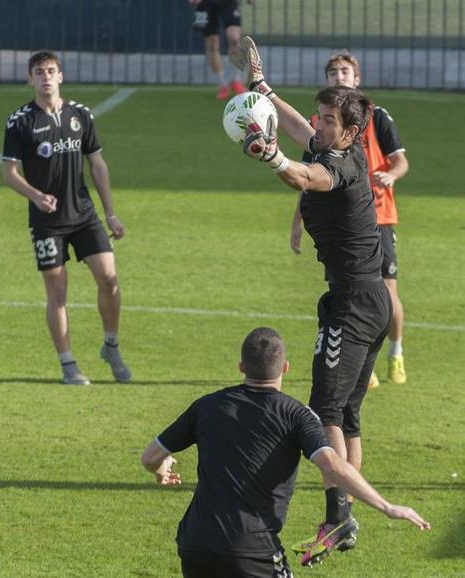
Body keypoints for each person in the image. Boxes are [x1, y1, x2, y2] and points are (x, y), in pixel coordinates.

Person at [235, 36, 399, 564]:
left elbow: (305, 175)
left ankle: (338, 517)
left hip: (353, 302)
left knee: (323, 408)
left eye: (328, 120)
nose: (318, 124)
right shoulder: (332, 142)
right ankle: (342, 514)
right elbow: (299, 131)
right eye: (320, 116)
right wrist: (263, 91)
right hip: (368, 299)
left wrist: (270, 154)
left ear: (350, 131)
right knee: (347, 413)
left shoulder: (343, 167)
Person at [142, 327, 430, 575]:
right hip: (252, 550)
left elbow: (150, 457)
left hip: (194, 545)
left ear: (241, 366)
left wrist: (161, 469)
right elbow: (332, 466)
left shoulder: (207, 405)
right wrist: (388, 507)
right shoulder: (296, 415)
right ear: (285, 368)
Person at [2, 49, 131, 386]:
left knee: (109, 279)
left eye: (50, 71)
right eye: (39, 72)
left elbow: (97, 164)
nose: (45, 77)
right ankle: (68, 364)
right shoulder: (20, 122)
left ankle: (111, 346)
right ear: (30, 79)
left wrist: (111, 214)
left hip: (84, 214)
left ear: (60, 76)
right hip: (47, 223)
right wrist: (36, 196)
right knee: (57, 294)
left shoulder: (80, 115)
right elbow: (9, 172)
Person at [290, 52, 408, 389]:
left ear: (357, 79)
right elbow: (308, 176)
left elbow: (400, 161)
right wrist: (297, 220)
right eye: (333, 71)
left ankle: (395, 352)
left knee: (386, 291)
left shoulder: (376, 117)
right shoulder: (323, 126)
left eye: (345, 71)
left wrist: (390, 176)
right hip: (341, 217)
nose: (339, 76)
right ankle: (362, 362)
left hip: (378, 215)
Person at [189, 0, 255, 100]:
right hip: (205, 4)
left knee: (234, 38)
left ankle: (236, 80)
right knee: (212, 43)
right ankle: (223, 84)